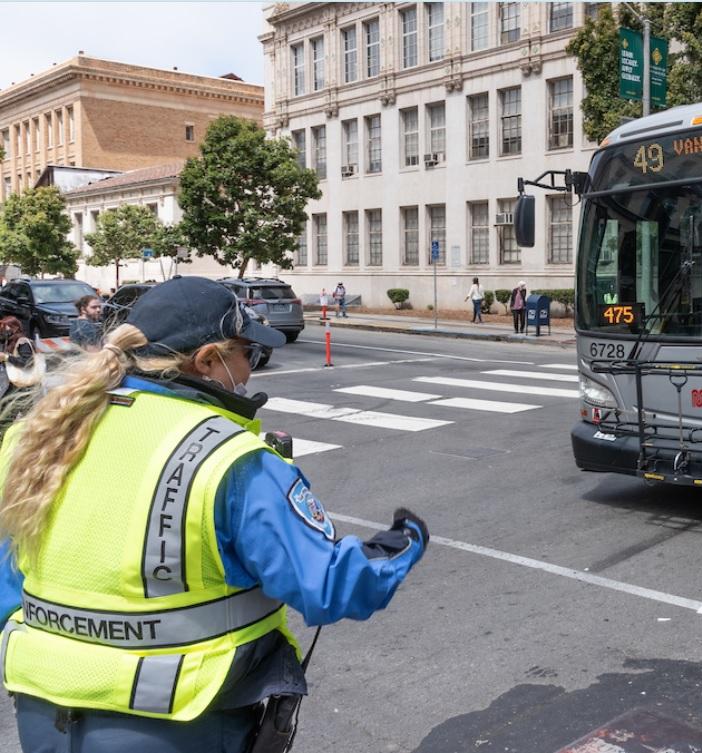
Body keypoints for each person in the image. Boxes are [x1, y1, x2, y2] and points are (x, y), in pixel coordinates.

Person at [0, 277, 428, 753]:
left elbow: (9, 579)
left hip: (44, 713)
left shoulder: (37, 437)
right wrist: (402, 544)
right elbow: (328, 588)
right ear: (208, 359)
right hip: (175, 723)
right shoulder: (227, 458)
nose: (250, 368)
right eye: (247, 352)